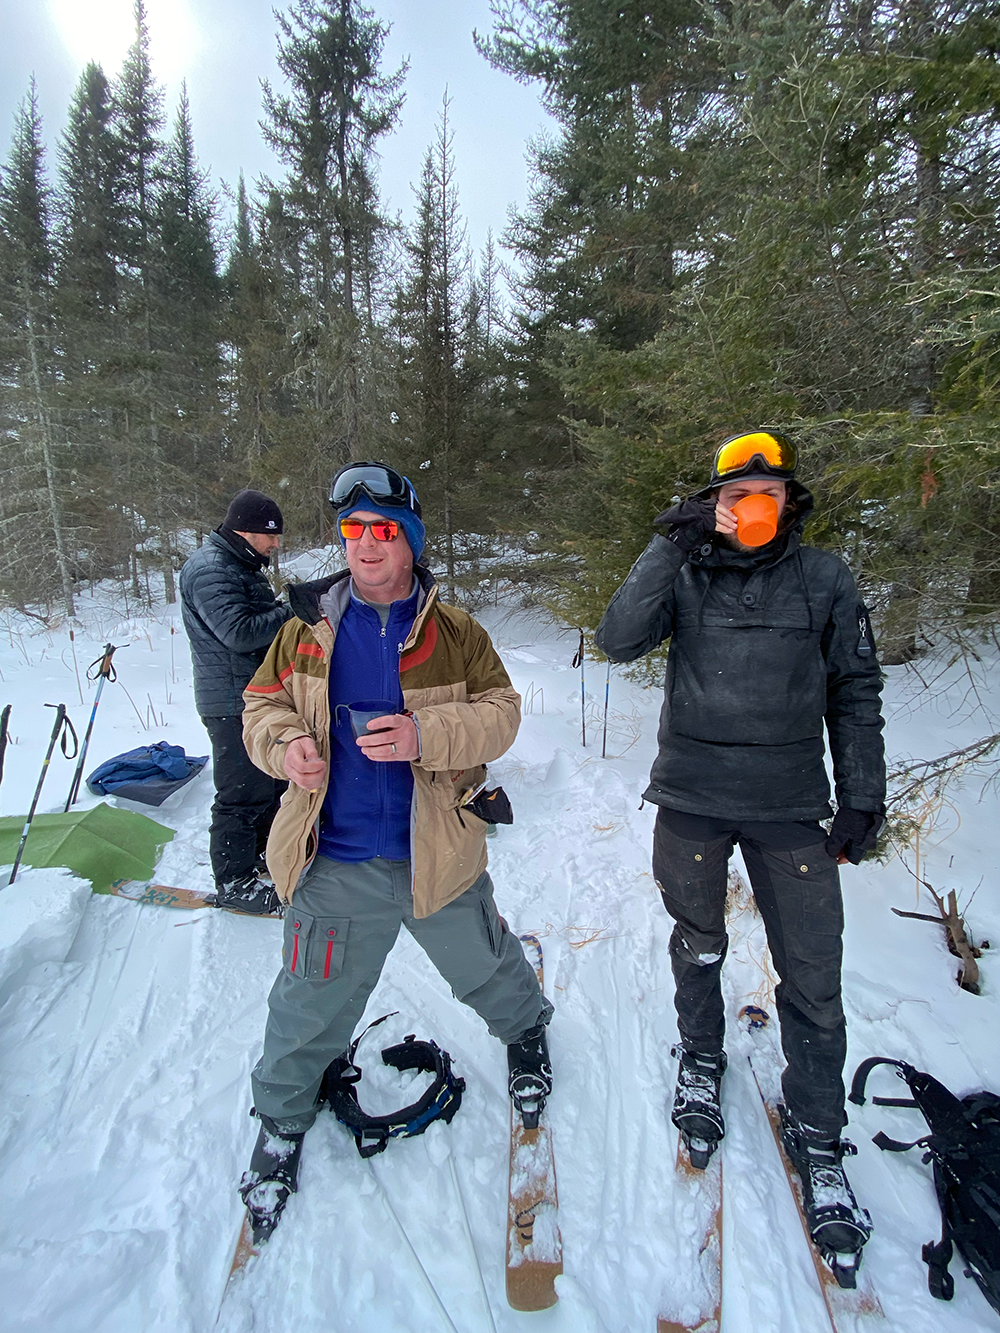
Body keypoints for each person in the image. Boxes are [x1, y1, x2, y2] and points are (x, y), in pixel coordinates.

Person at [595, 430, 886, 1282]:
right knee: (700, 941)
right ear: (713, 500)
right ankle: (702, 1057)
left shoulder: (826, 577)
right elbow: (616, 638)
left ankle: (820, 1132)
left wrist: (861, 789)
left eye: (766, 488)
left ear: (789, 497)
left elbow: (854, 686)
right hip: (691, 794)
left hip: (791, 803)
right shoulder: (685, 569)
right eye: (734, 492)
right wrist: (669, 541)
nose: (750, 502)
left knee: (813, 972)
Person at [236, 461, 552, 1242]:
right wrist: (287, 751)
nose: (367, 546)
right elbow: (260, 706)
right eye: (354, 532)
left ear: (409, 543)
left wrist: (425, 735)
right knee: (307, 1003)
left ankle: (528, 1033)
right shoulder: (303, 630)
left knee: (484, 961)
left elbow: (502, 713)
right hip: (335, 859)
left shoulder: (456, 634)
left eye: (383, 532)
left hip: (434, 852)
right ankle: (280, 1123)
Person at [179, 489, 292, 915]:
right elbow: (239, 633)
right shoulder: (211, 569)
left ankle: (260, 856)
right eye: (271, 536)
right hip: (229, 701)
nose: (275, 544)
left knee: (268, 783)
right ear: (248, 530)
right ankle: (234, 882)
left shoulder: (238, 564)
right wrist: (292, 611)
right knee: (241, 793)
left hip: (250, 695)